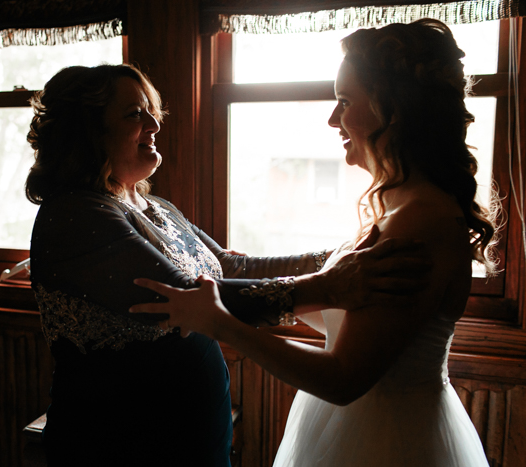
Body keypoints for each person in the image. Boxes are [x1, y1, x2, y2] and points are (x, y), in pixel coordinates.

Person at [131, 19, 496, 467]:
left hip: (389, 439)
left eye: (345, 101)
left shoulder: (422, 220)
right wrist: (262, 290)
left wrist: (224, 324)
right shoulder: (400, 205)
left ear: (392, 109)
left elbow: (344, 378)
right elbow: (352, 322)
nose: (332, 118)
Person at [26, 63, 428, 467]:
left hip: (193, 427)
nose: (154, 123)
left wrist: (338, 256)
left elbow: (229, 267)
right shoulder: (75, 216)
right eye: (135, 113)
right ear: (88, 131)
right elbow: (185, 297)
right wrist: (328, 287)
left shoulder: (155, 206)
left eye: (152, 111)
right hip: (123, 435)